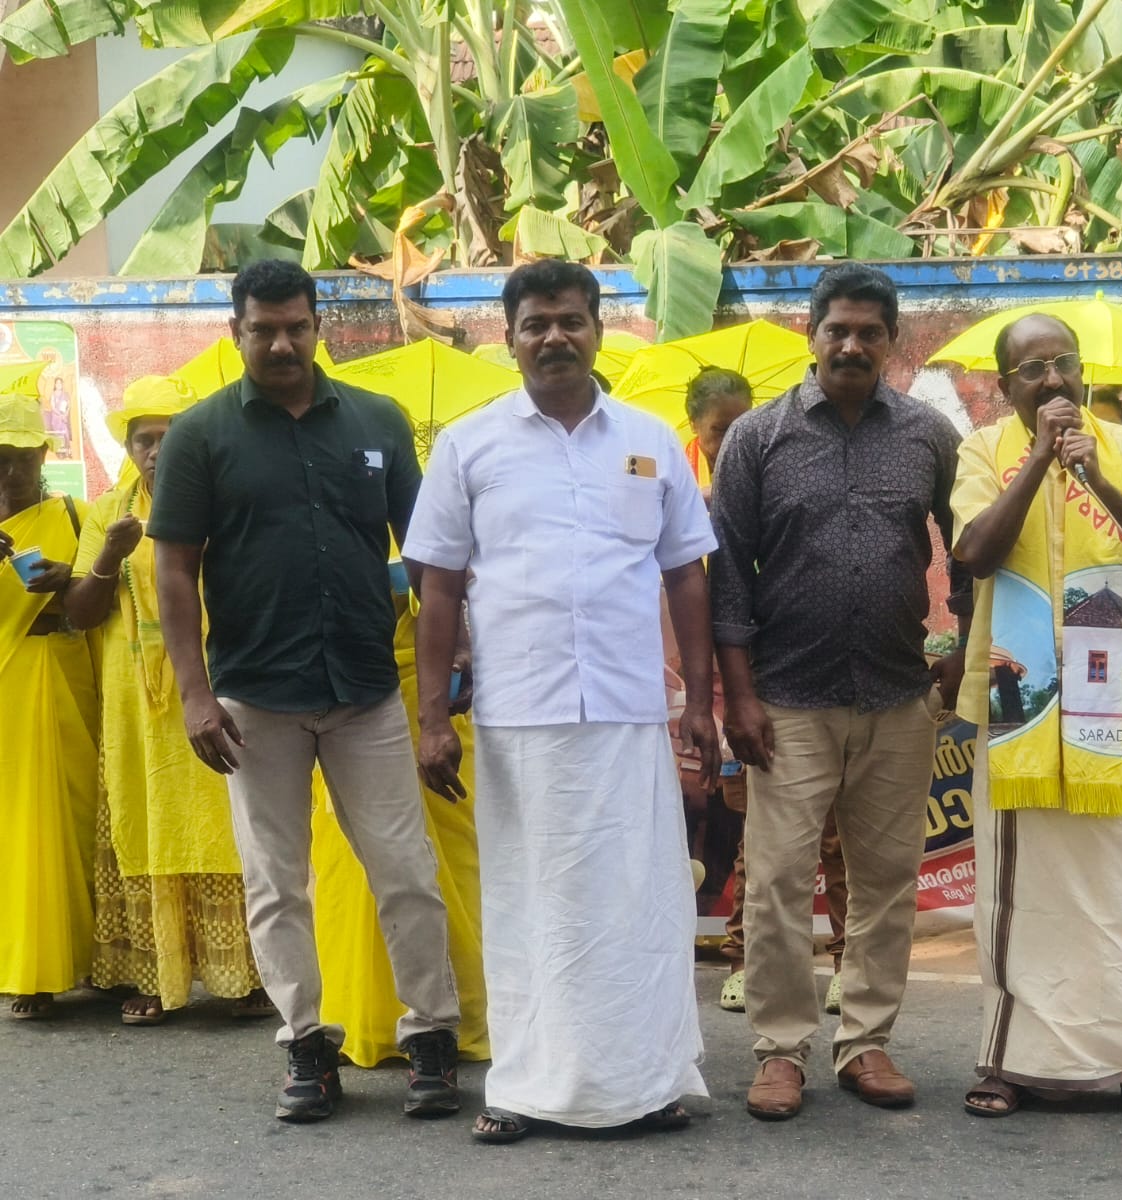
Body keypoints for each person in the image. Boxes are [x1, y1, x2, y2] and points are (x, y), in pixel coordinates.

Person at [406, 260, 720, 1142]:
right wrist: (433, 719)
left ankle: (647, 1082)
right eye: (536, 324)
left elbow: (687, 576)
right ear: (509, 339)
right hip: (520, 716)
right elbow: (438, 586)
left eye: (570, 321)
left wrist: (700, 702)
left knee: (637, 899)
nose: (554, 337)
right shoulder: (469, 445)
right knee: (527, 903)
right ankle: (524, 1088)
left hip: (628, 710)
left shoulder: (651, 440)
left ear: (597, 331)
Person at [147, 260, 461, 1123]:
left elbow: (428, 556)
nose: (281, 344)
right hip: (254, 700)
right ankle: (306, 1046)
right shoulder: (200, 435)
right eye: (263, 330)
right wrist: (195, 695)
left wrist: (448, 673)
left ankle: (431, 1037)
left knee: (405, 870)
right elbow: (174, 571)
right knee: (276, 883)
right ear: (236, 332)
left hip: (365, 691)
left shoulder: (376, 420)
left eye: (296, 327)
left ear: (319, 326)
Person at [710, 262, 969, 1120]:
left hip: (897, 692)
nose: (852, 346)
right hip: (788, 697)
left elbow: (967, 545)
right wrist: (739, 698)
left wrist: (964, 646)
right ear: (811, 334)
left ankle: (865, 1043)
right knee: (778, 882)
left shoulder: (929, 434)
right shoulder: (758, 437)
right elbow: (727, 577)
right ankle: (781, 1049)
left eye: (869, 333)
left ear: (893, 342)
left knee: (887, 881)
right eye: (838, 330)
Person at [951, 313, 1122, 1122]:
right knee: (1019, 898)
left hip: (1111, 709)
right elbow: (975, 554)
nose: (1053, 380)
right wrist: (1036, 462)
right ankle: (1007, 1061)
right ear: (1005, 387)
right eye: (1033, 370)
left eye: (1064, 363)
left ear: (1083, 370)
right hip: (1018, 712)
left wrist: (1096, 479)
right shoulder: (982, 452)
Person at [62, 376, 269, 1027]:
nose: (155, 451)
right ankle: (156, 975)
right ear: (127, 449)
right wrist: (110, 554)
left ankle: (247, 975)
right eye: (143, 440)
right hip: (137, 705)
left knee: (228, 826)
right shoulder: (109, 511)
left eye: (168, 438)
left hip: (216, 684)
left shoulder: (223, 500)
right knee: (145, 826)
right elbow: (78, 614)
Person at [678, 367, 854, 1017]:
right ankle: (743, 956)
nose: (731, 440)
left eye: (741, 425)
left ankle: (846, 962)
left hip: (795, 674)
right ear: (694, 430)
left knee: (834, 834)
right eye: (718, 429)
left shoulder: (776, 478)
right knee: (760, 837)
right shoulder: (682, 498)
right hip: (728, 689)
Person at [308, 558, 490, 1069]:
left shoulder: (432, 507)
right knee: (351, 863)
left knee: (450, 859)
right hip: (345, 691)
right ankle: (363, 1015)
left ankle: (455, 1013)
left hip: (430, 693)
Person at [0, 391, 97, 1019]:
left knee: (74, 821)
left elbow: (111, 597)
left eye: (22, 457)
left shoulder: (76, 515)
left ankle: (88, 958)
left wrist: (71, 580)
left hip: (65, 675)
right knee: (15, 829)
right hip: (7, 687)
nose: (11, 471)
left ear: (43, 455)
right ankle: (26, 969)